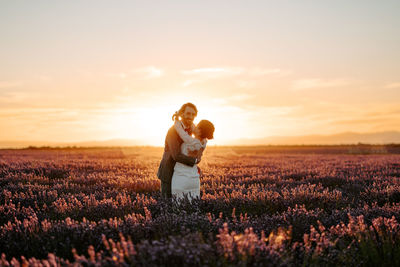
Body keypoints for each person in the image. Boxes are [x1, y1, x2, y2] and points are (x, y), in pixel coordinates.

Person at [157, 103, 201, 198]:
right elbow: (176, 155)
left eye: (193, 114)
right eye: (188, 113)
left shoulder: (191, 130)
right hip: (169, 172)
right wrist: (194, 161)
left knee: (183, 201)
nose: (191, 116)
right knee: (167, 203)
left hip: (183, 172)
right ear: (182, 114)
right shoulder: (173, 131)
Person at [171, 118, 214, 200]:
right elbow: (195, 129)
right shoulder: (204, 142)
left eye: (197, 127)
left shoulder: (191, 141)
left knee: (178, 203)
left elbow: (180, 132)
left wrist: (176, 120)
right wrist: (190, 121)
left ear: (200, 131)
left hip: (182, 175)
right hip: (194, 176)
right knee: (193, 203)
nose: (194, 127)